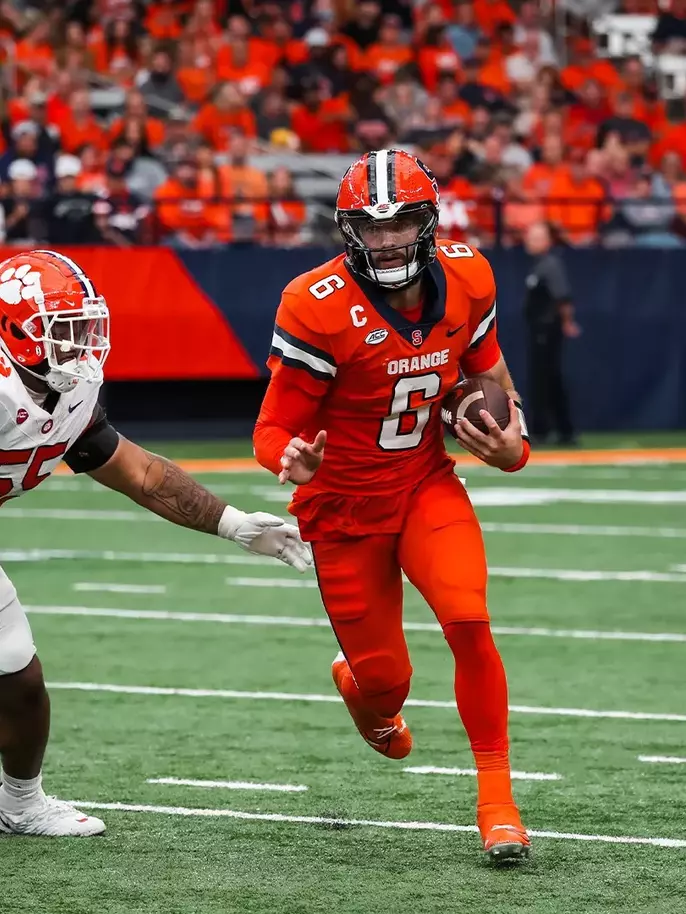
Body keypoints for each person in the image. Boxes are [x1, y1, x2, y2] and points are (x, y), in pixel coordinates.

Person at [253, 148, 531, 864]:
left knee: (469, 617)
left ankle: (498, 802)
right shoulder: (315, 304)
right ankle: (362, 691)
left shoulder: (468, 276)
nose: (386, 241)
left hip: (424, 483)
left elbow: (489, 375)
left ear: (428, 221)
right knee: (387, 682)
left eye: (402, 223)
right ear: (348, 230)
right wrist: (291, 459)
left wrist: (510, 443)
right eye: (370, 228)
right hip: (343, 509)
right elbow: (271, 428)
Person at [0, 249, 311, 837]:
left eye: (86, 331)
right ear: (17, 331)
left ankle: (20, 803)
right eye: (65, 334)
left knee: (19, 678)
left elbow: (138, 472)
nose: (82, 348)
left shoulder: (63, 394)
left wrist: (234, 525)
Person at [523, 221, 580, 445]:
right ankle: (561, 430)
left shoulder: (550, 265)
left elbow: (562, 296)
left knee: (545, 380)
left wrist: (567, 322)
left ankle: (544, 430)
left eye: (536, 238)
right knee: (547, 379)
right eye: (530, 236)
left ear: (547, 241)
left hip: (547, 330)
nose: (531, 241)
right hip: (539, 330)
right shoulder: (538, 266)